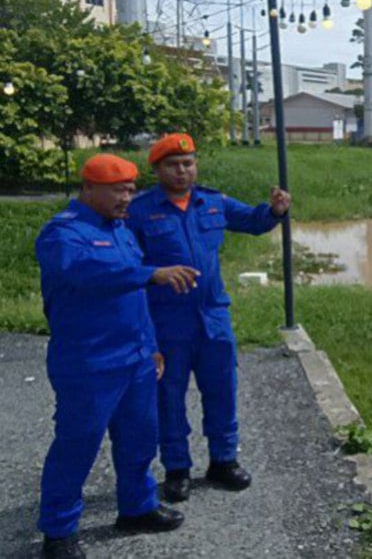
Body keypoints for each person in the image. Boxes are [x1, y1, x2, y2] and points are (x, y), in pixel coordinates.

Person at [35, 154, 198, 559]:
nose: (127, 197)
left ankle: (137, 507)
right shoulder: (63, 235)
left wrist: (152, 346)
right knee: (78, 445)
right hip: (89, 362)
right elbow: (87, 273)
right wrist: (149, 272)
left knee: (140, 438)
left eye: (130, 189)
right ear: (89, 188)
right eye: (117, 190)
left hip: (136, 358)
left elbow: (135, 301)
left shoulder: (122, 231)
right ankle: (59, 532)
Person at [126, 133, 291, 504]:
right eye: (173, 165)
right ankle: (177, 468)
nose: (183, 171)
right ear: (157, 170)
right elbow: (129, 266)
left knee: (222, 390)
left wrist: (275, 211)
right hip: (167, 321)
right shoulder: (139, 211)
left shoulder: (213, 202)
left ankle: (223, 460)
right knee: (169, 395)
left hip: (213, 317)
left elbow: (251, 220)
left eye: (188, 163)